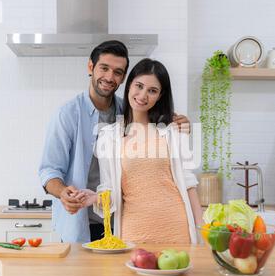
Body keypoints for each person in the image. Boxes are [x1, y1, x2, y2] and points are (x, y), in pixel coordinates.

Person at [38, 41, 190, 243]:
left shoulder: (130, 110)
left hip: (122, 221)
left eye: (118, 72)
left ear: (124, 78)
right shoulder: (67, 115)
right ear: (91, 67)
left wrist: (180, 124)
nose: (110, 77)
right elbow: (49, 170)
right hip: (82, 222)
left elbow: (158, 139)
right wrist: (63, 193)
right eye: (104, 68)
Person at [86, 58, 203, 244]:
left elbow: (188, 182)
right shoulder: (108, 137)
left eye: (152, 91)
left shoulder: (173, 131)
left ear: (160, 96)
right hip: (133, 233)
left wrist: (202, 227)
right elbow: (109, 190)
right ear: (129, 85)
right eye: (139, 86)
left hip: (177, 231)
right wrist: (94, 198)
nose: (143, 95)